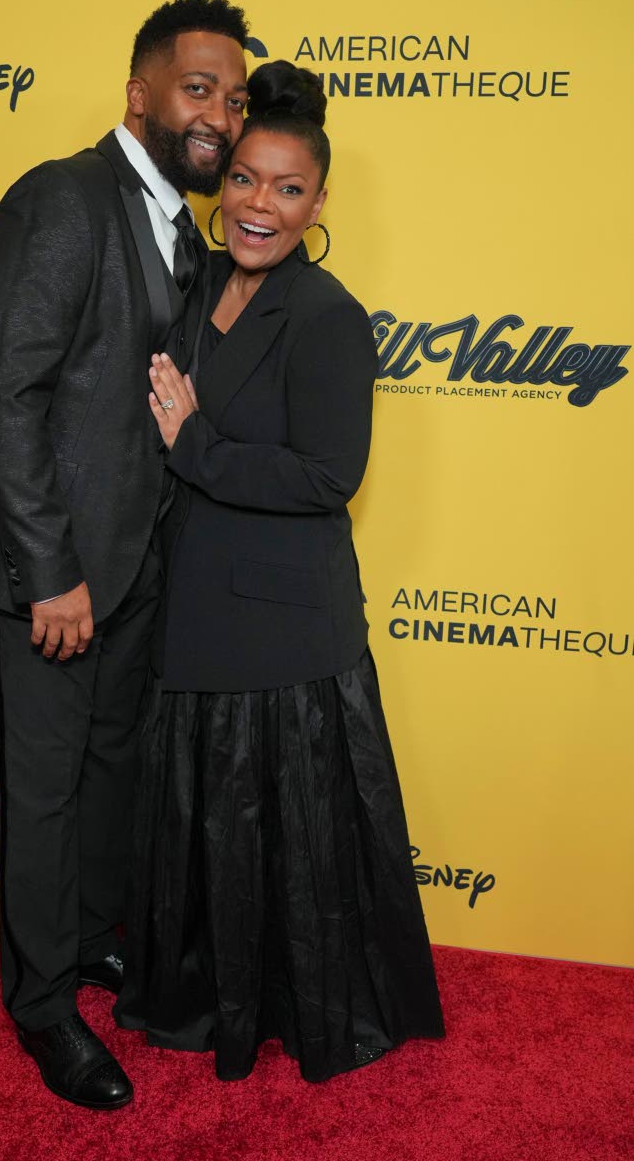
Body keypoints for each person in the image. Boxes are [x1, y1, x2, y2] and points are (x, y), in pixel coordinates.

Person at [0, 0, 249, 1109]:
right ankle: (42, 1007)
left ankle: (87, 944)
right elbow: (2, 392)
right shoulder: (62, 200)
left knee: (108, 775)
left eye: (234, 97)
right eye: (198, 87)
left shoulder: (177, 228)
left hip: (128, 571)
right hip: (46, 576)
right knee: (46, 792)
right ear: (140, 91)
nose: (218, 113)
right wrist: (47, 572)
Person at [115, 60, 445, 1084]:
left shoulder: (326, 316)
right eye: (246, 180)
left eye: (287, 189)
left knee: (283, 838)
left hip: (281, 636)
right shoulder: (196, 280)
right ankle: (203, 994)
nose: (259, 206)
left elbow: (326, 476)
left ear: (317, 202)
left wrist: (196, 446)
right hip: (191, 611)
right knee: (200, 828)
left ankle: (302, 1009)